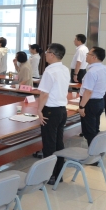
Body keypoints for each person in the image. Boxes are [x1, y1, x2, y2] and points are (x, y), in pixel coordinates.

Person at [36, 43, 70, 185]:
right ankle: (58, 174)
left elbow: (44, 94)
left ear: (52, 54)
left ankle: (49, 176)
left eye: (47, 52)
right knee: (58, 142)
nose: (45, 54)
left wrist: (39, 110)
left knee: (49, 144)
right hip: (62, 110)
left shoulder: (49, 71)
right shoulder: (65, 69)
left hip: (50, 110)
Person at [78, 47, 106, 146]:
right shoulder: (104, 68)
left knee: (89, 130)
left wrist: (82, 106)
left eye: (88, 54)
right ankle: (97, 149)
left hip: (90, 103)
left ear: (94, 57)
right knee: (95, 127)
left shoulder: (92, 72)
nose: (86, 56)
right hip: (100, 101)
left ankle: (93, 153)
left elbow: (88, 91)